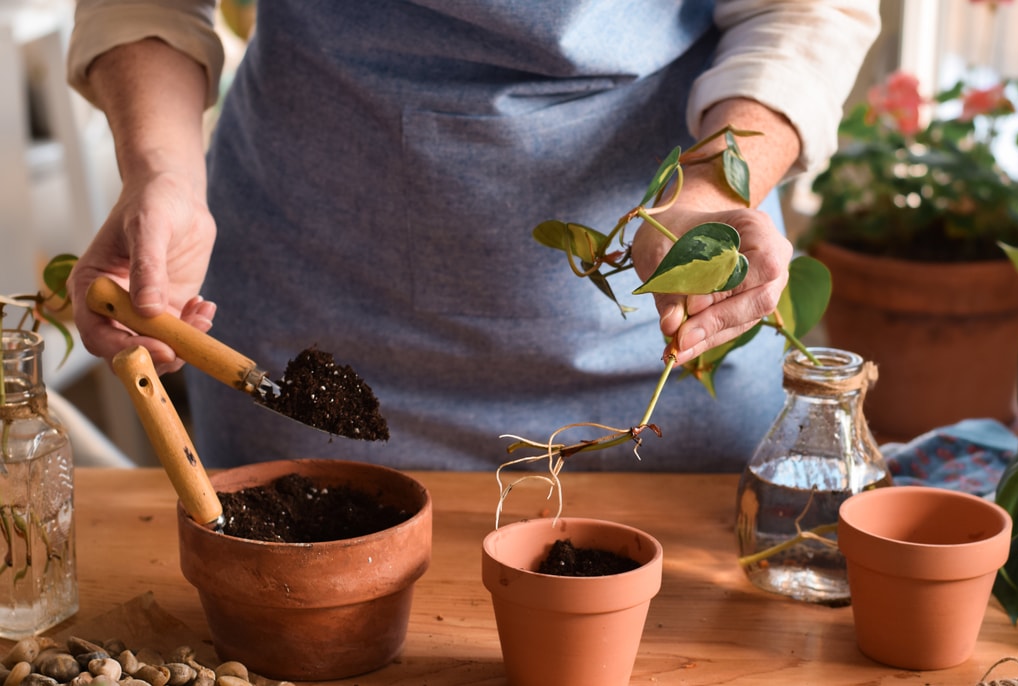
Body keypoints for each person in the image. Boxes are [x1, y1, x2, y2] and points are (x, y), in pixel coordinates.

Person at [65, 1, 881, 471]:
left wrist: (706, 189)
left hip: (644, 336)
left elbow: (803, 9)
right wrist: (160, 173)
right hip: (305, 302)